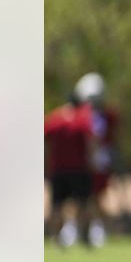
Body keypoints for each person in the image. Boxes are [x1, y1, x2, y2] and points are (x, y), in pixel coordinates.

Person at [44, 92, 94, 248]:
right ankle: (84, 238)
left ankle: (57, 239)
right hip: (78, 169)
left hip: (58, 169)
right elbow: (90, 144)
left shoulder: (54, 119)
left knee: (57, 206)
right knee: (83, 204)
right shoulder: (82, 120)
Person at [76, 73, 119, 248]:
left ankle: (98, 228)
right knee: (82, 198)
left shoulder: (108, 115)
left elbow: (112, 138)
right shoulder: (79, 115)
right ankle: (79, 229)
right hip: (82, 161)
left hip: (100, 161)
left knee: (98, 196)